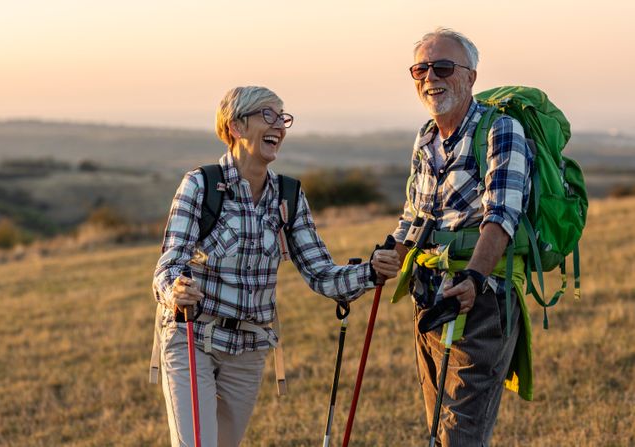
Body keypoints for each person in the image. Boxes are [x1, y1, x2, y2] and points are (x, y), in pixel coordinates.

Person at [151, 85, 399, 447]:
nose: (279, 126)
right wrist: (175, 290)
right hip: (194, 338)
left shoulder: (289, 196)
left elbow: (322, 274)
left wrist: (372, 271)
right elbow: (168, 265)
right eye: (268, 115)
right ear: (236, 126)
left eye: (283, 118)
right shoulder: (200, 186)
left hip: (250, 346)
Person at [390, 28, 534, 445]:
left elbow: (502, 216)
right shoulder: (426, 136)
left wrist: (473, 277)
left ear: (470, 76)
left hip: (482, 298)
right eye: (420, 69)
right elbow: (415, 217)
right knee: (437, 427)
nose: (430, 77)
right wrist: (385, 257)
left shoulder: (501, 130)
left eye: (443, 67)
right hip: (429, 297)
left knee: (460, 434)